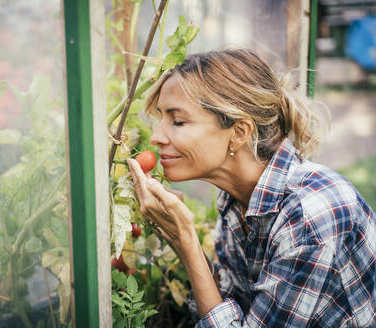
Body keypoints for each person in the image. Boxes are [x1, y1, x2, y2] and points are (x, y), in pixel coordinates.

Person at [126, 49, 376, 327]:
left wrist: (186, 243)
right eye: (161, 118)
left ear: (239, 132)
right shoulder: (238, 202)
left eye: (179, 121)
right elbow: (234, 310)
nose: (158, 136)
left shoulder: (310, 218)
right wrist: (183, 239)